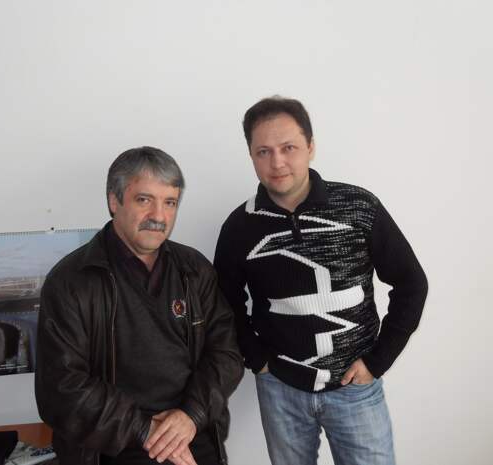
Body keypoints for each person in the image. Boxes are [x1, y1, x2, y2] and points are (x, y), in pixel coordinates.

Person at [214, 97, 428, 465]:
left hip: (356, 390)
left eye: (288, 147)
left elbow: (411, 283)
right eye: (263, 151)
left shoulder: (359, 207)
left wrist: (378, 360)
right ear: (251, 155)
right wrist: (257, 359)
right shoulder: (239, 226)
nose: (277, 162)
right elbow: (223, 302)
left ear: (310, 147)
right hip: (280, 389)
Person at [35, 146, 243, 465]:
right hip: (110, 446)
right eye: (144, 200)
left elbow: (226, 354)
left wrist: (191, 415)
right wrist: (145, 429)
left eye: (169, 202)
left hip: (190, 434)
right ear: (114, 201)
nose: (159, 217)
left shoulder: (194, 270)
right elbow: (60, 388)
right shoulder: (70, 282)